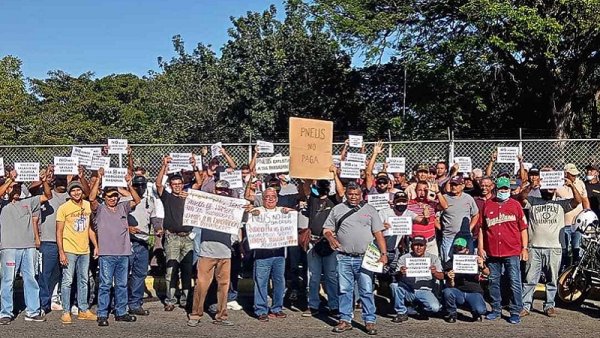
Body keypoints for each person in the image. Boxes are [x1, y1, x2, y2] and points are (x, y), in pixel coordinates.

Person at [322, 181, 387, 335]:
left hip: (365, 257)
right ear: (346, 194)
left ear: (361, 195)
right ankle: (345, 319)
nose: (353, 197)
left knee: (366, 290)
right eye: (350, 194)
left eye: (356, 194)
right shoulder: (337, 209)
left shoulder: (370, 210)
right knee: (344, 290)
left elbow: (378, 233)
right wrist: (330, 237)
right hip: (344, 257)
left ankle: (369, 321)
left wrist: (384, 254)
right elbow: (327, 229)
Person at [520, 174, 581, 317]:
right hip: (534, 246)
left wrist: (571, 185)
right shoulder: (533, 201)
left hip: (554, 247)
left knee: (552, 279)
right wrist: (531, 185)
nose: (548, 189)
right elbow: (521, 199)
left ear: (555, 190)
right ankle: (526, 306)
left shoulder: (561, 204)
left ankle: (549, 305)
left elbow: (577, 201)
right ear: (541, 188)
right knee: (530, 279)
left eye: (551, 187)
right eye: (545, 186)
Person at [90, 168, 141, 326]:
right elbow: (91, 198)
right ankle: (102, 314)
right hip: (107, 254)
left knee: (121, 284)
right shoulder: (100, 209)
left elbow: (137, 200)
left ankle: (121, 312)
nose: (113, 198)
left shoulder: (123, 207)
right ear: (104, 197)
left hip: (123, 252)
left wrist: (128, 184)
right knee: (105, 285)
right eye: (109, 196)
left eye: (115, 195)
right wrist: (98, 179)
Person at [0, 170, 52, 325]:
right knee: (8, 280)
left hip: (28, 247)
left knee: (31, 279)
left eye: (19, 187)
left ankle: (33, 311)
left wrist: (44, 182)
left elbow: (47, 196)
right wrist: (10, 180)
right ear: (8, 188)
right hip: (9, 247)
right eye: (13, 188)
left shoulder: (29, 202)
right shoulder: (3, 204)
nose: (16, 190)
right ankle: (5, 312)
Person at [156, 155, 203, 311]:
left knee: (187, 271)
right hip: (172, 237)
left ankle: (185, 299)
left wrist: (195, 166)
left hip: (188, 238)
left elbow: (199, 182)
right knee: (171, 270)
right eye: (174, 184)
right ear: (171, 185)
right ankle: (170, 300)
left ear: (183, 184)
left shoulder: (188, 195)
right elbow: (158, 184)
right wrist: (164, 166)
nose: (177, 186)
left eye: (179, 183)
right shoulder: (167, 197)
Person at [188, 180, 238, 327]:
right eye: (219, 189)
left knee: (223, 286)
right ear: (215, 190)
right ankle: (195, 314)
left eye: (225, 190)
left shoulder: (234, 207)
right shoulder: (206, 205)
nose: (223, 191)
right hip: (207, 252)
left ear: (229, 191)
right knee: (201, 285)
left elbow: (240, 223)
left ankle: (221, 315)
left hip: (225, 253)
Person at [479, 177, 528, 325]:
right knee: (494, 281)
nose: (504, 191)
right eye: (501, 189)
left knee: (514, 281)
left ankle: (515, 311)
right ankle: (495, 309)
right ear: (496, 189)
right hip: (493, 251)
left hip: (512, 250)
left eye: (506, 189)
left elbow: (523, 228)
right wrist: (480, 247)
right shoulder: (488, 205)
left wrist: (524, 248)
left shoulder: (516, 205)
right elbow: (482, 228)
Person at [56, 180, 99, 324]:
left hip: (84, 249)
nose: (76, 193)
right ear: (69, 193)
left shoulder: (87, 206)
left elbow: (90, 229)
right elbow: (59, 231)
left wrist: (96, 246)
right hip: (69, 249)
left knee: (84, 280)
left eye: (78, 190)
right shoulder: (64, 208)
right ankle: (66, 311)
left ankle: (83, 309)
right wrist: (61, 251)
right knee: (68, 280)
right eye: (73, 191)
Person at [247, 188, 292, 322]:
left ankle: (277, 308)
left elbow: (294, 216)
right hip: (262, 253)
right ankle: (261, 310)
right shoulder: (257, 211)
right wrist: (251, 214)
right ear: (263, 199)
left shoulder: (283, 211)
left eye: (273, 196)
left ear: (277, 199)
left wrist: (289, 213)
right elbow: (247, 220)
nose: (270, 199)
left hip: (279, 253)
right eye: (267, 197)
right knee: (261, 282)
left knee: (279, 281)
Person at [299, 178, 342, 317]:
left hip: (329, 242)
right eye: (320, 184)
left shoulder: (333, 201)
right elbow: (306, 188)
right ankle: (313, 305)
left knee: (331, 275)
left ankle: (334, 306)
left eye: (325, 184)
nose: (322, 186)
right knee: (313, 275)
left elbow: (341, 194)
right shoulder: (313, 199)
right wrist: (310, 176)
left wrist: (335, 174)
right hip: (314, 242)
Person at [127, 175, 164, 316]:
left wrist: (158, 228)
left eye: (142, 186)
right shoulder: (126, 200)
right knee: (125, 275)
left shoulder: (150, 200)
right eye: (137, 185)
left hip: (142, 242)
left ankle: (135, 304)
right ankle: (122, 303)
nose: (140, 188)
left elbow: (154, 218)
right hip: (129, 241)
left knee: (140, 274)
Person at [390, 236, 443, 323]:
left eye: (421, 245)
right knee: (394, 286)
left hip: (425, 290)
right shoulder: (404, 258)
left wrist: (434, 273)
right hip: (408, 289)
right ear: (411, 246)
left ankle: (416, 308)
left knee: (435, 308)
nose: (418, 248)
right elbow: (396, 277)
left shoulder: (433, 258)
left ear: (425, 247)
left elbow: (441, 276)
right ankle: (401, 312)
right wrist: (400, 272)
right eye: (416, 245)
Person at [37, 174, 69, 313]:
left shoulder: (71, 195)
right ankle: (42, 304)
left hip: (67, 241)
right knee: (45, 274)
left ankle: (54, 298)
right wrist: (44, 180)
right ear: (54, 181)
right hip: (48, 240)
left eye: (64, 179)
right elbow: (39, 191)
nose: (62, 182)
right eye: (59, 179)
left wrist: (77, 176)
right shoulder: (46, 195)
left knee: (60, 274)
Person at [442, 237, 489, 323]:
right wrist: (450, 278)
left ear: (467, 250)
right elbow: (450, 286)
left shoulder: (474, 260)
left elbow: (487, 273)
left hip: (474, 291)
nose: (457, 250)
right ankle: (452, 313)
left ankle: (475, 312)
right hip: (458, 291)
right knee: (447, 291)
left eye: (460, 248)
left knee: (481, 310)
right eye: (455, 248)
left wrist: (482, 266)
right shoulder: (450, 263)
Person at [556, 164, 589, 270]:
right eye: (572, 175)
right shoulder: (557, 184)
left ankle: (576, 273)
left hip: (578, 224)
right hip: (563, 224)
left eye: (575, 175)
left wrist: (587, 215)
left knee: (577, 249)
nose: (575, 177)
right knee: (563, 251)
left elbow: (585, 200)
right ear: (566, 174)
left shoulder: (580, 183)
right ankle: (562, 273)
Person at [440, 175, 479, 261]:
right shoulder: (444, 198)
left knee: (466, 263)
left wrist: (470, 227)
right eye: (452, 184)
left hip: (465, 237)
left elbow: (476, 214)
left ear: (462, 186)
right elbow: (436, 216)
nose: (454, 187)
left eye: (456, 185)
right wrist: (442, 228)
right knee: (447, 263)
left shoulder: (468, 198)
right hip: (449, 237)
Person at [407, 180, 448, 256]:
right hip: (415, 243)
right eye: (419, 190)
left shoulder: (432, 203)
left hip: (430, 243)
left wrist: (437, 192)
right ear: (415, 191)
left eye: (425, 190)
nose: (422, 193)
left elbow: (445, 206)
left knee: (434, 266)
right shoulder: (409, 204)